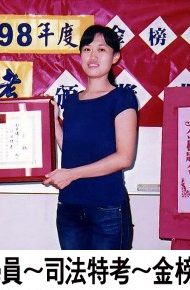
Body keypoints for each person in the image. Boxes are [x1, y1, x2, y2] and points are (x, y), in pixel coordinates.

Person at [43, 25, 138, 250]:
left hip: (107, 207)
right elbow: (70, 149)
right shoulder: (72, 101)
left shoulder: (122, 98)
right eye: (87, 49)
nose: (93, 56)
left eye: (101, 50)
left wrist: (71, 174)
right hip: (69, 207)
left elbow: (124, 158)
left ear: (115, 57)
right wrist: (53, 121)